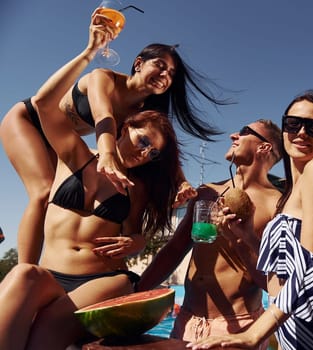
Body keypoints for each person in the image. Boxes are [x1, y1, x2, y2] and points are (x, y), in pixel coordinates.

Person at [0, 13, 181, 350]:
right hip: (50, 274)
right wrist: (88, 52)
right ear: (127, 127)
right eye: (144, 142)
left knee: (44, 335)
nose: (146, 154)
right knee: (23, 275)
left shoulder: (136, 188)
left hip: (101, 279)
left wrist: (136, 243)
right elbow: (43, 104)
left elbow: (136, 236)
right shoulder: (74, 155)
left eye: (154, 154)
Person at [0, 9, 227, 264]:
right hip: (30, 121)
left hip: (59, 140)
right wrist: (106, 155)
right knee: (42, 192)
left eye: (171, 74)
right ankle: (25, 271)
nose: (165, 76)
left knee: (61, 199)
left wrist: (181, 182)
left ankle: (56, 269)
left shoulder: (143, 113)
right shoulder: (104, 78)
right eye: (160, 66)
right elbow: (103, 115)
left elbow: (163, 148)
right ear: (139, 63)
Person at [189, 91, 313, 349]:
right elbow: (285, 269)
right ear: (284, 129)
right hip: (291, 328)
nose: (302, 132)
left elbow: (310, 267)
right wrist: (246, 236)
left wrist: (252, 334)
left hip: (312, 332)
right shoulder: (293, 191)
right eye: (293, 124)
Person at [137, 118, 283, 349]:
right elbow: (174, 249)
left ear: (264, 147)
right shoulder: (206, 193)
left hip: (238, 327)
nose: (233, 135)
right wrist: (137, 291)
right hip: (186, 321)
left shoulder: (277, 205)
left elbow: (274, 283)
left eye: (244, 132)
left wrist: (239, 238)